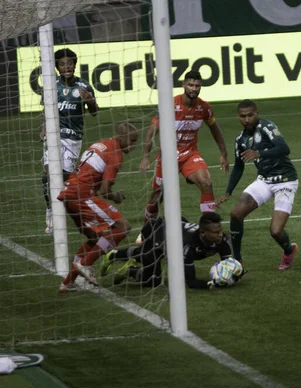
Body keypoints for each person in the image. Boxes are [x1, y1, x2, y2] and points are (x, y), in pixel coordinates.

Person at [216, 99, 299, 270]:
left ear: (257, 113)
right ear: (238, 117)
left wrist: (259, 153)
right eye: (243, 116)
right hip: (264, 180)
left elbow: (284, 148)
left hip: (285, 181)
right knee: (236, 214)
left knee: (276, 231)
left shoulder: (266, 127)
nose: (247, 119)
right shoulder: (240, 139)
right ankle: (237, 259)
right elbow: (239, 166)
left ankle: (289, 250)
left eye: (250, 115)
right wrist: (228, 191)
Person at [139, 70, 229, 226]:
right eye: (191, 85)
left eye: (197, 86)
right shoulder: (170, 105)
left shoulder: (204, 108)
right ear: (183, 85)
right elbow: (151, 131)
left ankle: (209, 225)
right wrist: (146, 156)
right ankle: (146, 227)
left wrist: (223, 153)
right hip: (167, 157)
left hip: (189, 154)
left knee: (206, 182)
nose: (194, 89)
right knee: (157, 198)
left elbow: (215, 129)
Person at [57, 122, 139, 293]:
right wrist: (115, 196)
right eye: (132, 141)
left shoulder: (101, 143)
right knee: (123, 227)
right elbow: (105, 191)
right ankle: (85, 265)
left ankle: (67, 283)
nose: (134, 145)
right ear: (122, 138)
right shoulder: (115, 155)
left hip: (68, 193)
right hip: (82, 195)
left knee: (94, 238)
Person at [99, 213, 245, 289]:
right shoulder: (188, 247)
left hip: (175, 229)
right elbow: (191, 282)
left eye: (220, 231)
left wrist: (234, 274)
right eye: (215, 232)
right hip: (157, 230)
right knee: (149, 256)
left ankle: (130, 271)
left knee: (153, 280)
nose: (220, 235)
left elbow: (228, 264)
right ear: (203, 233)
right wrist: (212, 284)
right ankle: (114, 255)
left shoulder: (222, 241)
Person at [41, 48, 98, 234]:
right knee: (48, 173)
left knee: (64, 178)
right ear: (57, 67)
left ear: (75, 64)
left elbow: (95, 112)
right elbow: (46, 110)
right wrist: (44, 127)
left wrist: (89, 100)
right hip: (54, 134)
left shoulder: (83, 86)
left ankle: (75, 209)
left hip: (73, 138)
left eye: (70, 63)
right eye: (63, 64)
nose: (67, 67)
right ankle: (50, 212)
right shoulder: (51, 85)